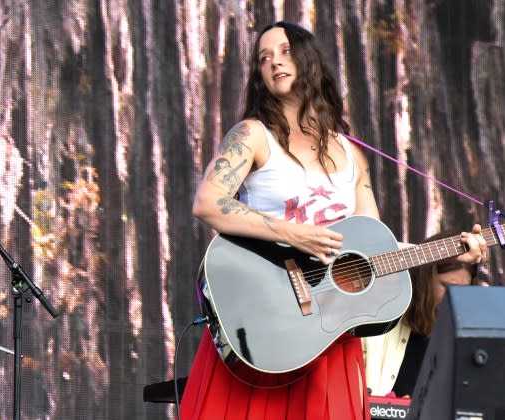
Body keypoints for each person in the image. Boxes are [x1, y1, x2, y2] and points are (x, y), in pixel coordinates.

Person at [181, 21, 487, 420]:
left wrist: (450, 256)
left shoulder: (350, 154)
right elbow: (208, 203)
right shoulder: (253, 136)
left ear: (310, 60)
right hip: (262, 318)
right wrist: (296, 234)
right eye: (263, 58)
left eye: (285, 51)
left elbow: (377, 250)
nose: (274, 61)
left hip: (326, 332)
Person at [363, 234, 483, 399]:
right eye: (447, 286)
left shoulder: (467, 343)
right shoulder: (377, 326)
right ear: (424, 279)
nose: (454, 298)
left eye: (462, 291)